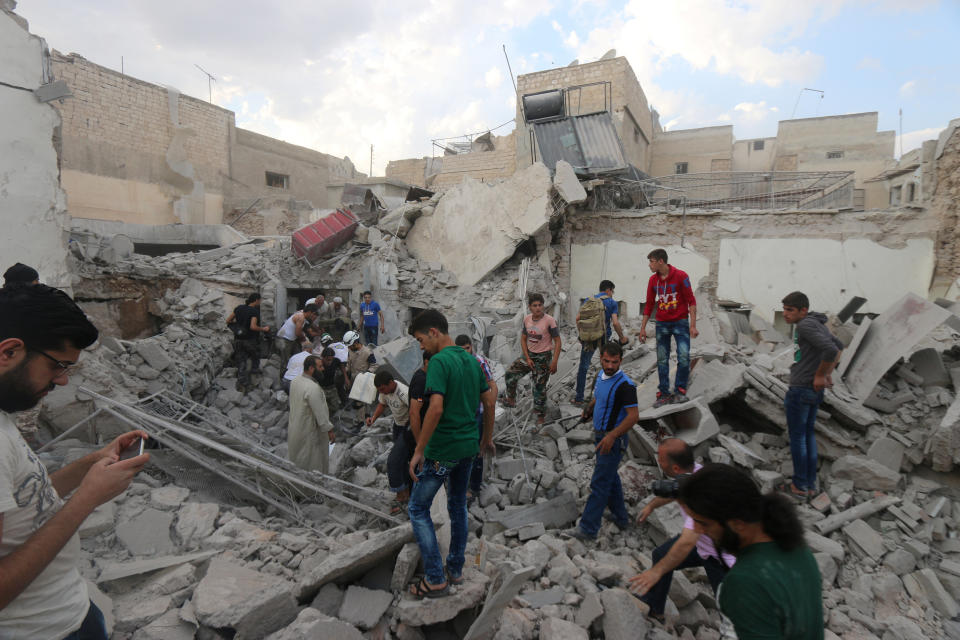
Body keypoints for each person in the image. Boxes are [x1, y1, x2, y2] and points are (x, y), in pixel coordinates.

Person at [0, 284, 150, 638]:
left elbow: (25, 499)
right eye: (57, 366)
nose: (63, 380)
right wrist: (86, 501)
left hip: (69, 613)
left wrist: (92, 463)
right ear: (9, 352)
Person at [406, 310, 496, 598]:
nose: (420, 346)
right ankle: (455, 570)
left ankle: (435, 578)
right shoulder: (472, 360)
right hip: (469, 446)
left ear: (433, 332)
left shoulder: (439, 362)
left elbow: (435, 408)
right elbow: (489, 400)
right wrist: (487, 437)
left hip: (443, 450)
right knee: (458, 505)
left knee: (418, 509)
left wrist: (419, 450)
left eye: (420, 340)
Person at [678, 464, 823, 639]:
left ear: (737, 523)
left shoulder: (744, 582)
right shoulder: (799, 551)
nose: (697, 530)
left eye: (703, 523)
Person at [627, 439, 735, 622]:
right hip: (704, 546)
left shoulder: (702, 492)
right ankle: (655, 608)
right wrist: (651, 506)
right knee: (661, 554)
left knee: (728, 610)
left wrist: (655, 572)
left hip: (721, 558)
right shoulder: (694, 473)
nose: (658, 461)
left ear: (675, 468)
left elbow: (686, 541)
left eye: (661, 460)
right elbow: (675, 490)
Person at [565, 342, 638, 542]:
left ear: (620, 361)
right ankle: (621, 518)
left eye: (614, 362)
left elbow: (633, 417)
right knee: (609, 477)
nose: (610, 366)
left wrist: (613, 435)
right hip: (600, 435)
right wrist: (589, 408)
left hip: (612, 439)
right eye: (606, 361)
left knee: (599, 482)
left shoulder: (626, 386)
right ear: (601, 358)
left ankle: (588, 529)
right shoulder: (600, 376)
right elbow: (598, 397)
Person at [782, 291, 843, 498]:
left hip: (802, 388)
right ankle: (809, 484)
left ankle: (799, 486)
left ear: (803, 310)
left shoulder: (805, 325)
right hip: (812, 391)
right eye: (784, 309)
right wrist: (826, 374)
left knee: (798, 438)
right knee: (807, 436)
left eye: (790, 310)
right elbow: (839, 346)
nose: (785, 314)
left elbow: (831, 351)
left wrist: (821, 375)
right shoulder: (817, 323)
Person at [637, 249, 699, 407]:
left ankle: (680, 391)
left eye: (651, 261)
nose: (649, 265)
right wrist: (642, 329)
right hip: (662, 324)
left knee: (684, 357)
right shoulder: (653, 280)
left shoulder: (681, 276)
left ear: (660, 261)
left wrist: (693, 325)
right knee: (662, 359)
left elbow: (691, 301)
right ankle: (663, 393)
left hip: (680, 322)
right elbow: (649, 305)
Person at [503, 294, 561, 425]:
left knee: (539, 387)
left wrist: (555, 361)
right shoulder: (527, 319)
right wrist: (527, 357)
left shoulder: (549, 320)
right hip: (529, 355)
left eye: (540, 305)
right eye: (534, 305)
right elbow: (523, 339)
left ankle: (540, 416)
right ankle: (511, 399)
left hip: (543, 357)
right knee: (510, 373)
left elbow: (558, 341)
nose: (538, 308)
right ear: (530, 307)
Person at [455, 335, 498, 499]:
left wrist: (489, 406)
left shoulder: (479, 362)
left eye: (467, 348)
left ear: (471, 347)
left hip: (478, 412)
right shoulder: (454, 362)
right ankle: (462, 486)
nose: (465, 352)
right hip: (461, 413)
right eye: (461, 349)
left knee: (478, 449)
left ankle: (474, 486)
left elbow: (491, 385)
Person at [574, 280, 628, 405]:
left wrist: (583, 335)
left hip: (589, 339)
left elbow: (578, 319)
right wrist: (622, 338)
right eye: (612, 291)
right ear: (609, 290)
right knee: (608, 365)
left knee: (583, 367)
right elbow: (615, 323)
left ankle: (579, 398)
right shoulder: (611, 302)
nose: (612, 294)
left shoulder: (588, 300)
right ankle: (606, 395)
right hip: (603, 339)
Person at [366, 370, 412, 512]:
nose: (382, 392)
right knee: (402, 460)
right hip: (397, 427)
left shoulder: (404, 393)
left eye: (383, 389)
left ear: (391, 383)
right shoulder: (385, 392)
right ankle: (407, 493)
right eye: (380, 390)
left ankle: (400, 496)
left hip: (408, 428)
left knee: (393, 461)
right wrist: (373, 419)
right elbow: (382, 404)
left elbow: (417, 411)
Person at [287, 355, 335, 473]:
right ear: (311, 368)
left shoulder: (295, 380)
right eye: (320, 366)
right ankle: (312, 489)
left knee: (298, 459)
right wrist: (329, 430)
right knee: (313, 463)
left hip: (295, 427)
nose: (323, 369)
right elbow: (321, 414)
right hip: (309, 430)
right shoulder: (312, 388)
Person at [226, 293, 270, 392]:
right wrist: (264, 329)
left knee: (241, 362)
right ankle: (254, 377)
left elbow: (228, 320)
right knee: (255, 356)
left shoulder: (239, 308)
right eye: (260, 300)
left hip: (238, 340)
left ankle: (242, 384)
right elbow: (253, 327)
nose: (260, 302)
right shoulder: (254, 312)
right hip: (250, 340)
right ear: (256, 300)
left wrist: (238, 327)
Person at [344, 331, 376, 425]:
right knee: (358, 401)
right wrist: (345, 372)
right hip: (354, 379)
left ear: (355, 342)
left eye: (350, 345)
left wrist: (368, 373)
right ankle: (361, 420)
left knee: (365, 400)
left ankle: (365, 418)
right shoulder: (350, 351)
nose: (349, 348)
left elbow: (374, 365)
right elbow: (348, 363)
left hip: (364, 379)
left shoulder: (367, 352)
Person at [313, 347, 344, 416]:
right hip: (322, 389)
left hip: (332, 388)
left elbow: (341, 365)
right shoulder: (318, 365)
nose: (329, 362)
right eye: (327, 360)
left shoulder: (335, 361)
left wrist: (346, 378)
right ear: (322, 358)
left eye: (331, 360)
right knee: (323, 407)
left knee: (335, 406)